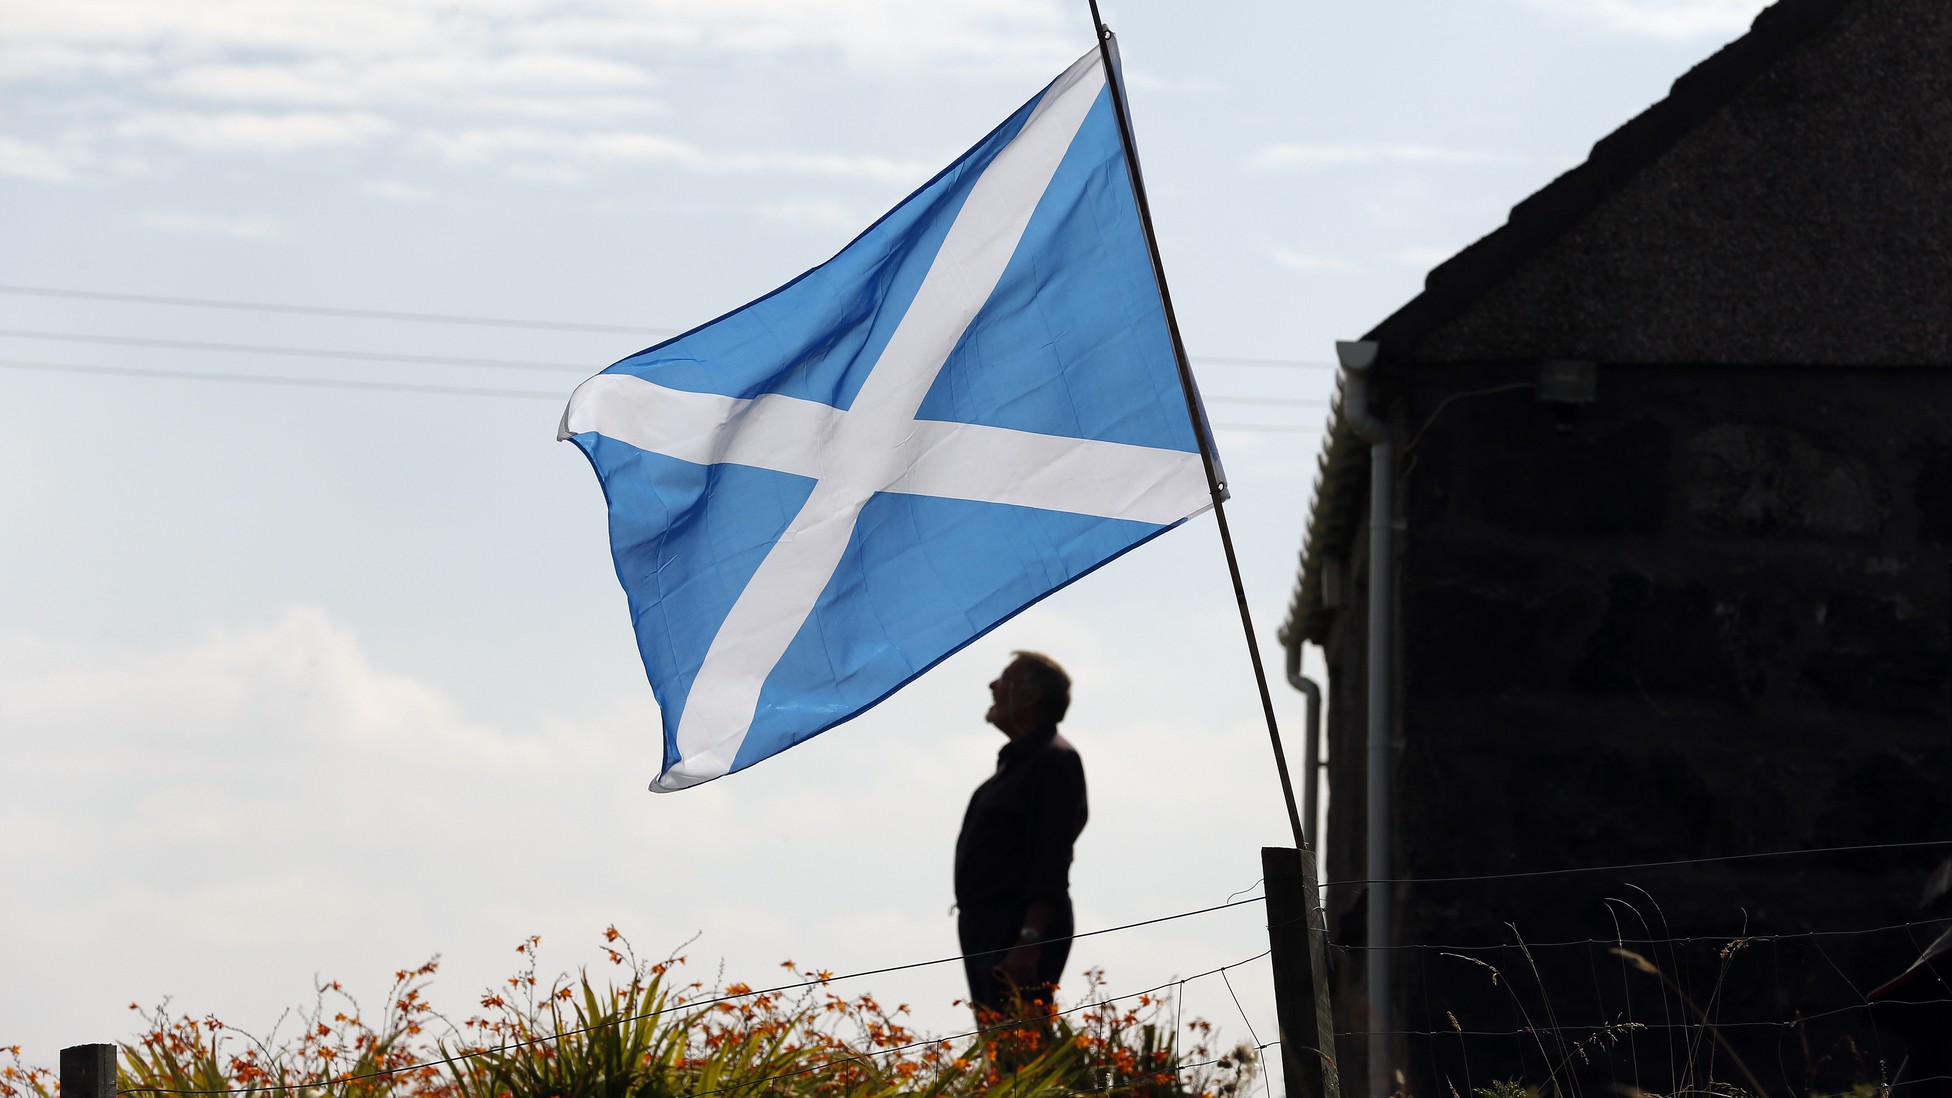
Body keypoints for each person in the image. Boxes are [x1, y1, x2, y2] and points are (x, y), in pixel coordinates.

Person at [953, 651, 1088, 1020]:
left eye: (1005, 679)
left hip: (1017, 929)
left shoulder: (1055, 760)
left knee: (1021, 1055)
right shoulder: (1014, 767)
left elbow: (1052, 856)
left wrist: (1030, 939)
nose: (993, 686)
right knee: (1003, 1055)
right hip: (990, 926)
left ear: (1031, 697)